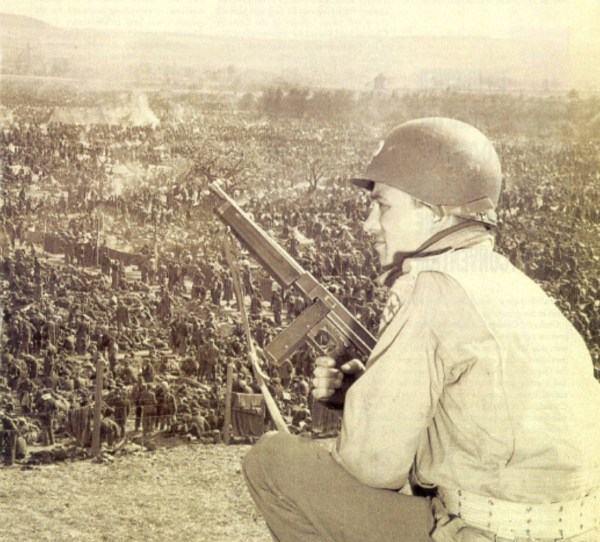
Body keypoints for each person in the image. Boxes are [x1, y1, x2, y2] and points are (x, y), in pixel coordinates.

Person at [242, 118, 600, 541]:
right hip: (570, 528)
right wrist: (365, 391)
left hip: (483, 530)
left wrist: (364, 408)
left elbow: (372, 466)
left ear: (434, 212)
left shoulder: (432, 287)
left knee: (272, 461)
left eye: (383, 205)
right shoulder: (512, 284)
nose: (368, 224)